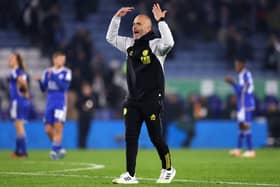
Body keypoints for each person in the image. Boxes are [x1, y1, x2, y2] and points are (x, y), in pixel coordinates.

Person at [106, 3, 176, 184]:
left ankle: (168, 168)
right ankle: (130, 174)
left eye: (138, 24)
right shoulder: (129, 44)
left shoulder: (156, 46)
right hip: (132, 100)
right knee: (130, 137)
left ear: (147, 27)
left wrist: (161, 21)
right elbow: (110, 38)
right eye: (133, 24)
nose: (133, 27)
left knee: (156, 138)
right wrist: (116, 18)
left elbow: (169, 42)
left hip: (152, 100)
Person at [34, 51, 71, 160]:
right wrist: (40, 81)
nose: (62, 61)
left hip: (60, 104)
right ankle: (58, 148)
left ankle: (54, 151)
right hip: (49, 103)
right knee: (48, 129)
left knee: (58, 128)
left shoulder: (66, 72)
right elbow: (43, 88)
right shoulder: (47, 72)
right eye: (60, 59)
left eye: (63, 59)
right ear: (54, 59)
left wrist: (54, 76)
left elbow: (64, 87)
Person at [225, 57, 256, 158]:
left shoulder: (245, 75)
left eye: (237, 65)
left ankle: (251, 150)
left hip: (245, 103)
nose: (236, 67)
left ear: (242, 65)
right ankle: (238, 150)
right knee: (241, 126)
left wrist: (232, 83)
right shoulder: (243, 74)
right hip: (242, 103)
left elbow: (241, 90)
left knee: (245, 125)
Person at [8, 52, 31, 158]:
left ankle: (24, 153)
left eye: (12, 58)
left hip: (17, 101)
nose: (9, 60)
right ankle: (17, 152)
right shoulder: (19, 71)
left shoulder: (16, 71)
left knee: (19, 126)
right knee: (18, 126)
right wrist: (26, 93)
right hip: (20, 101)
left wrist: (25, 92)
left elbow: (22, 81)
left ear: (17, 61)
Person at [75, 81, 97, 149]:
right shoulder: (80, 97)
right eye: (86, 89)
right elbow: (76, 105)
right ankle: (80, 146)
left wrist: (89, 108)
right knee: (81, 133)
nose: (87, 90)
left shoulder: (92, 98)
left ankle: (84, 146)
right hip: (81, 118)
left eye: (88, 89)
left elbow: (95, 105)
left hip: (88, 118)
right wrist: (83, 107)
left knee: (86, 133)